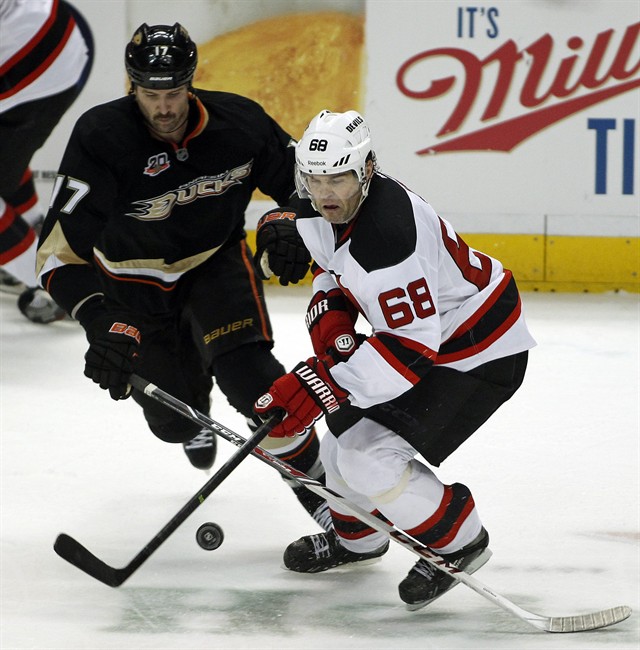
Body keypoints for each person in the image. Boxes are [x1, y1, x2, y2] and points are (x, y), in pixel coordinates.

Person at [35, 23, 328, 531]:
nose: (164, 108)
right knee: (174, 421)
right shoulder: (101, 137)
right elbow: (55, 254)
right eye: (151, 95)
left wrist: (289, 221)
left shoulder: (240, 123)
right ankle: (193, 400)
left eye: (173, 93)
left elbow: (311, 185)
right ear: (132, 87)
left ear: (190, 83)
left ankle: (328, 499)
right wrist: (99, 321)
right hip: (131, 284)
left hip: (215, 265)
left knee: (258, 386)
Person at [254, 109, 537, 609]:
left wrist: (321, 384)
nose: (325, 194)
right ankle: (358, 540)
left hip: (479, 349)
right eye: (314, 180)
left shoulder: (387, 239)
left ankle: (460, 542)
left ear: (367, 169)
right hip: (431, 339)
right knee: (341, 446)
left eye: (338, 179)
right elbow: (331, 270)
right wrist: (333, 327)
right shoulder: (329, 206)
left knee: (368, 459)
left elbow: (410, 351)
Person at [0, 0, 93, 323]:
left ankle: (58, 284)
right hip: (48, 35)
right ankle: (35, 235)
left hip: (41, 56)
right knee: (6, 161)